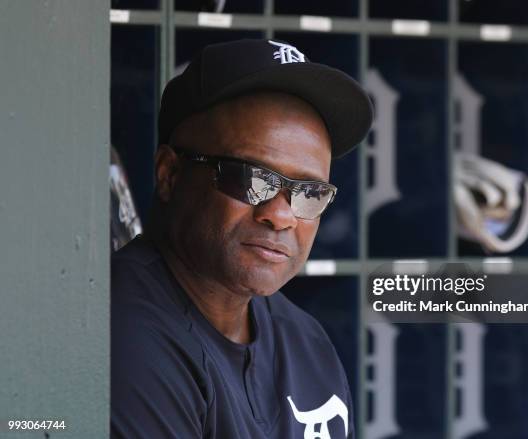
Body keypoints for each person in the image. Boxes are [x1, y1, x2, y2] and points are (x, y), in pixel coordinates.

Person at [111, 38, 372, 439]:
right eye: (252, 178)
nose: (281, 215)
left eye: (309, 192)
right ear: (170, 174)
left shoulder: (304, 341)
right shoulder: (121, 335)